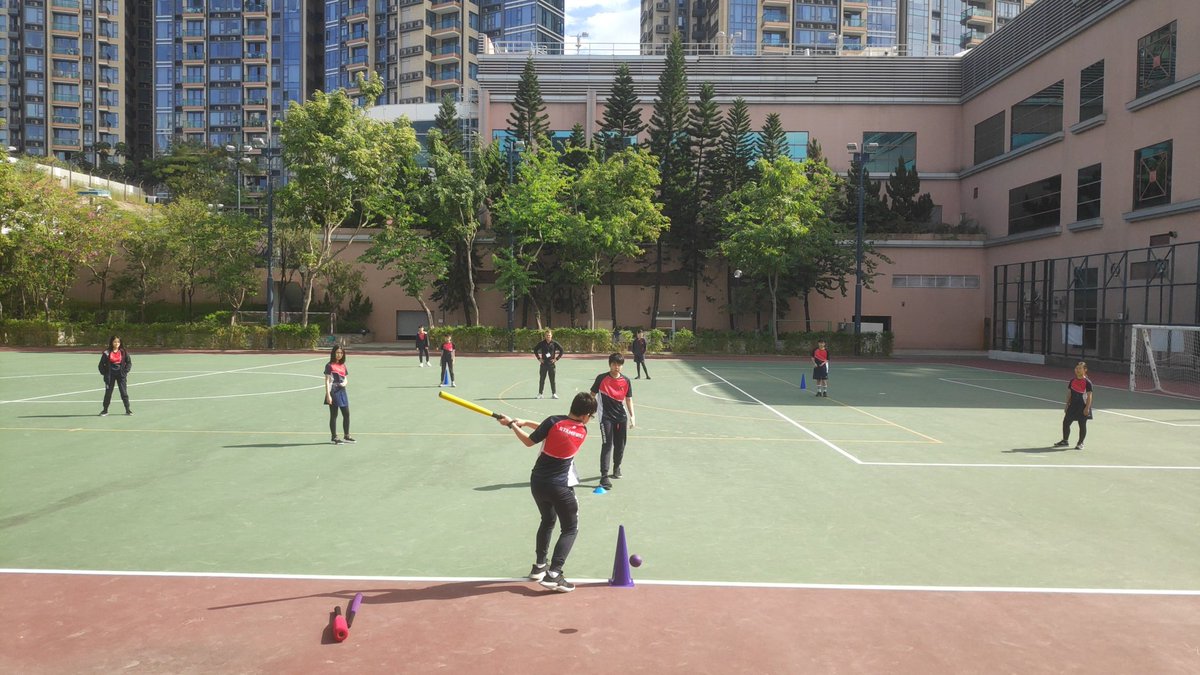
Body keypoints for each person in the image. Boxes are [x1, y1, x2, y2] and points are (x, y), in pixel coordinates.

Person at [498, 391, 597, 594]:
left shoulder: (553, 421)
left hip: (538, 483)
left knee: (547, 520)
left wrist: (513, 425)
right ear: (586, 415)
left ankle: (539, 566)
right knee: (570, 528)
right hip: (559, 487)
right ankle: (554, 574)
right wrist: (523, 422)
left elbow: (533, 439)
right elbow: (548, 431)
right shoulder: (583, 431)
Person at [590, 353, 635, 489]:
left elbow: (628, 399)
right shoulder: (601, 378)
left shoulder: (626, 381)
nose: (617, 367)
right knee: (607, 444)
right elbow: (592, 395)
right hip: (606, 417)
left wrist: (633, 416)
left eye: (619, 364)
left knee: (620, 445)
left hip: (621, 417)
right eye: (614, 364)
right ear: (610, 364)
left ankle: (617, 467)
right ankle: (604, 476)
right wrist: (589, 412)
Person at [1053, 361, 1093, 450]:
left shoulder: (1087, 382)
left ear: (1085, 370)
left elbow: (1089, 396)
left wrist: (1087, 408)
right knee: (1066, 422)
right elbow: (1069, 393)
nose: (1077, 370)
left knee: (1082, 424)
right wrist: (1067, 404)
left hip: (1083, 406)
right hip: (1072, 406)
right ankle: (1065, 441)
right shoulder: (1072, 381)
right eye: (1076, 368)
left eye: (1080, 368)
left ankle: (1080, 443)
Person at [324, 345, 355, 444]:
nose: (339, 355)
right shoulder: (329, 365)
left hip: (342, 391)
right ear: (333, 353)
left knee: (346, 414)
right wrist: (328, 395)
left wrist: (345, 383)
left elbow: (345, 378)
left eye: (341, 353)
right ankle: (334, 437)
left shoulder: (343, 365)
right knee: (334, 415)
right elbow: (327, 381)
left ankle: (347, 435)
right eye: (337, 352)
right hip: (333, 391)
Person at [98, 335, 133, 416]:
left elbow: (129, 362)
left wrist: (125, 371)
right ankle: (105, 410)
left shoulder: (123, 352)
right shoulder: (107, 352)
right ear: (111, 342)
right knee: (108, 393)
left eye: (118, 342)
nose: (116, 343)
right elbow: (101, 365)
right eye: (115, 342)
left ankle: (128, 410)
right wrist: (105, 373)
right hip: (110, 376)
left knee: (123, 392)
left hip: (121, 375)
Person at [533, 329, 564, 399]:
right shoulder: (541, 343)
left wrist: (556, 359)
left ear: (551, 335)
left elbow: (561, 350)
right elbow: (535, 350)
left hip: (551, 365)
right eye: (547, 335)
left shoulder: (554, 343)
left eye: (549, 335)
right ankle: (540, 393)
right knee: (542, 380)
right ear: (545, 336)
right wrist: (539, 358)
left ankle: (554, 394)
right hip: (543, 365)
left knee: (552, 380)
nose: (548, 336)